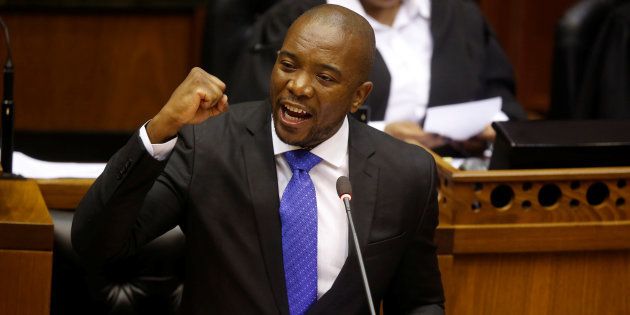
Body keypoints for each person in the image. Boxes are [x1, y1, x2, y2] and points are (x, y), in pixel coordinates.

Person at [72, 4, 444, 315]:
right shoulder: (208, 144)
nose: (298, 86)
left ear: (358, 97)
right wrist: (159, 130)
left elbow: (419, 302)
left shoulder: (406, 173)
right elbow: (97, 243)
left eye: (325, 78)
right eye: (288, 64)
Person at [228, 0, 527, 156]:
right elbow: (256, 123)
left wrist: (486, 132)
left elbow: (505, 106)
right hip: (341, 184)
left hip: (455, 189)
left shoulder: (461, 17)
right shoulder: (300, 18)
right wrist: (381, 135)